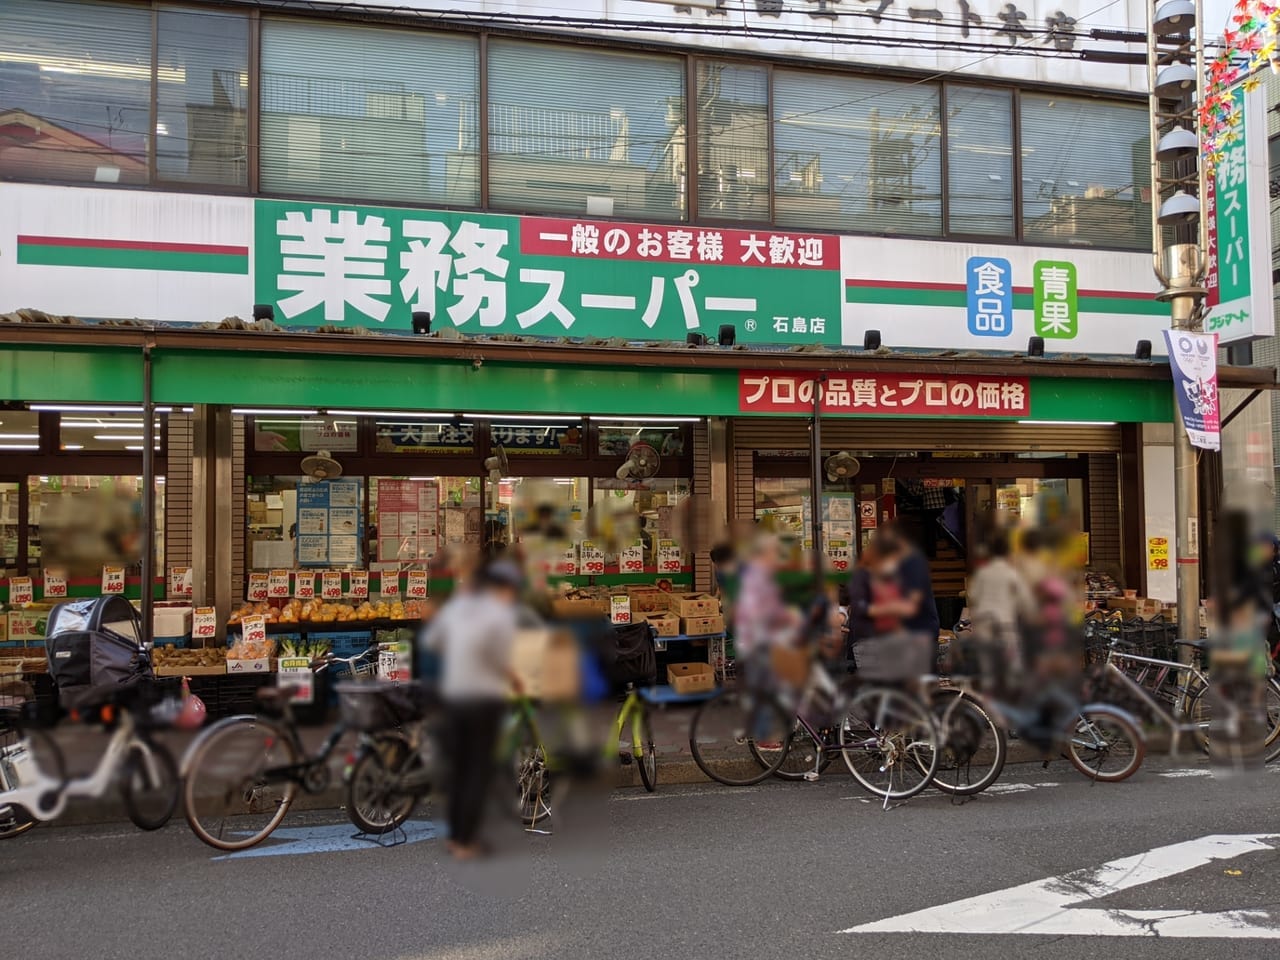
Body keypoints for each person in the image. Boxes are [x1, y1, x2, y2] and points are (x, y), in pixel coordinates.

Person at [420, 561, 523, 861]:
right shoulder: (499, 615)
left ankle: (455, 837)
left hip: (454, 697)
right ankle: (466, 842)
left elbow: (432, 641)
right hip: (483, 700)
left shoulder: (457, 608)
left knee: (459, 771)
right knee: (478, 771)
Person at [965, 530, 1037, 685]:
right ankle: (1010, 696)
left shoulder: (983, 573)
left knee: (987, 665)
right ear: (1008, 553)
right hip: (1004, 622)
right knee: (1012, 663)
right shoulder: (1012, 574)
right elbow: (1026, 600)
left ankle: (987, 697)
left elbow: (973, 596)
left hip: (984, 620)